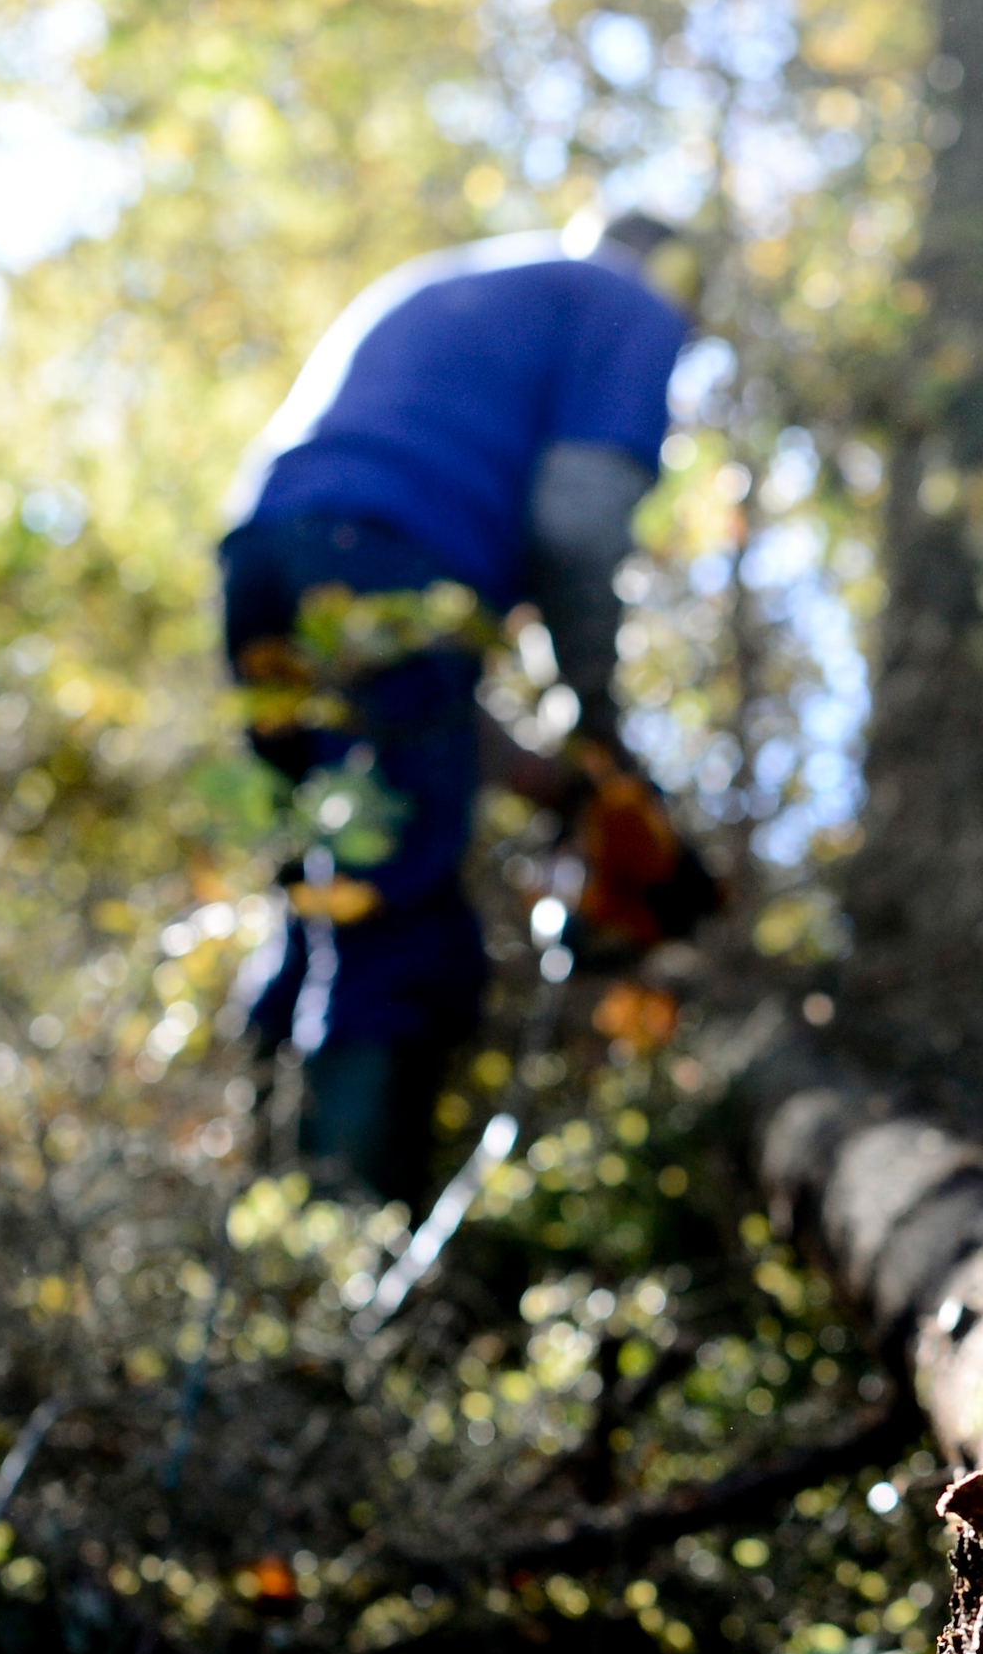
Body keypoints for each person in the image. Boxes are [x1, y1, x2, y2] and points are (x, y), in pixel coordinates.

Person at [216, 205, 721, 1207]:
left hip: (263, 567)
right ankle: (341, 1251)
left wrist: (548, 776)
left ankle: (262, 1223)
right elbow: (576, 525)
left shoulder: (455, 281)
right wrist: (603, 731)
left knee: (329, 888)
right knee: (406, 923)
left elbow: (420, 694)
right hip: (387, 576)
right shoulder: (631, 303)